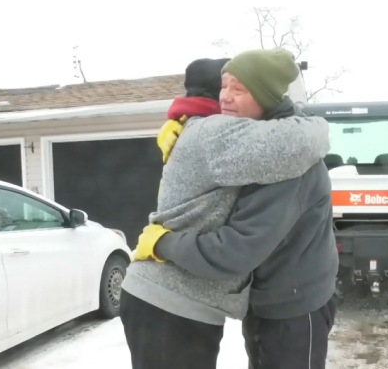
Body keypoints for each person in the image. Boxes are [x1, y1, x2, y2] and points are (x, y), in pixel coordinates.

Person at [120, 49, 330, 369]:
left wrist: (163, 242)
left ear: (265, 95)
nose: (226, 98)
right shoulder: (224, 134)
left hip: (294, 307)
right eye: (224, 86)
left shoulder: (285, 159)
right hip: (180, 302)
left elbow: (237, 250)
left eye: (239, 89)